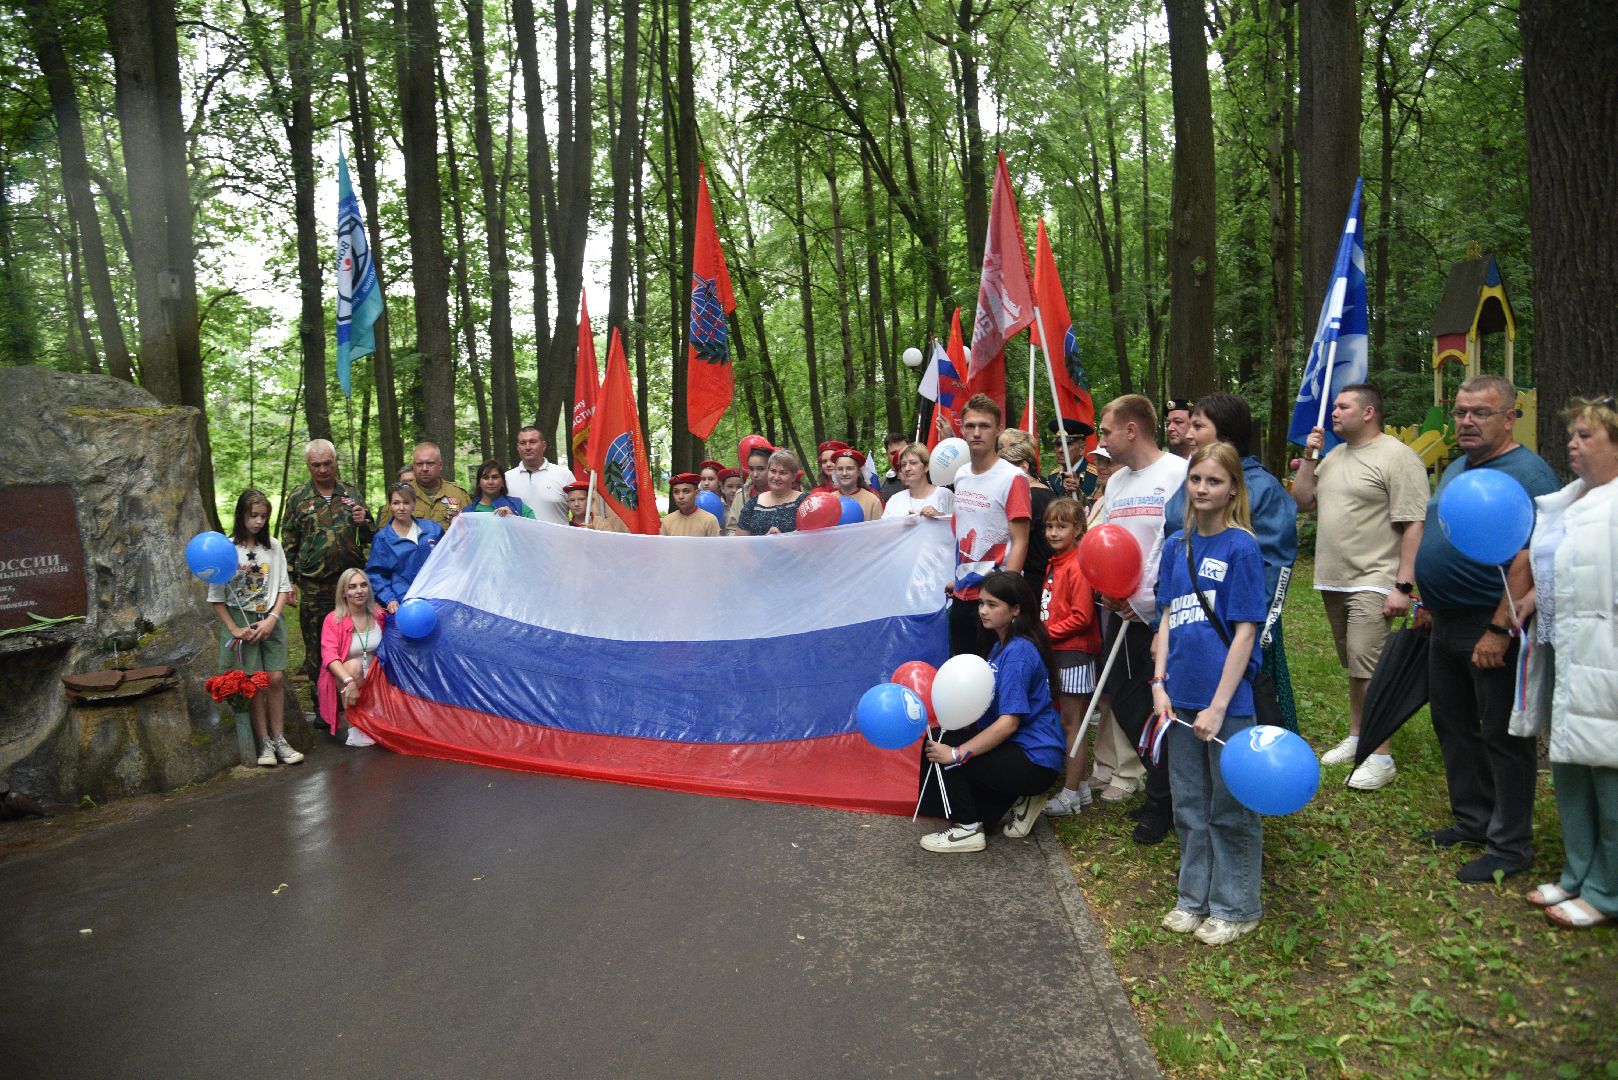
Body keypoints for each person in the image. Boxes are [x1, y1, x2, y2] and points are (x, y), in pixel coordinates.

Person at [1414, 374, 1558, 883]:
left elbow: (1531, 555)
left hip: (1493, 622)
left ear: (1509, 417)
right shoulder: (1456, 466)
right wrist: (1427, 600)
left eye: (1480, 412)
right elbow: (1445, 532)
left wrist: (1501, 628)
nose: (1466, 421)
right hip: (1444, 620)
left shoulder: (1529, 473)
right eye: (1460, 411)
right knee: (1452, 724)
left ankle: (1510, 844)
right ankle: (1473, 818)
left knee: (1501, 734)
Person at [1152, 442, 1267, 945]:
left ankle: (1236, 905)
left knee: (1230, 806)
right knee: (1190, 804)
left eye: (1214, 482)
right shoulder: (1178, 545)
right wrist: (1159, 684)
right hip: (1179, 697)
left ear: (1232, 490)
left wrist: (1220, 707)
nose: (1202, 490)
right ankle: (1192, 897)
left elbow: (1246, 632)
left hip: (1227, 701)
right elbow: (1167, 618)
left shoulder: (1242, 546)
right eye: (1196, 480)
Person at [1512, 395, 1618, 929]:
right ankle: (1579, 873)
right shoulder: (1570, 501)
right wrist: (1533, 600)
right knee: (1571, 766)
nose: (1571, 445)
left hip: (1607, 657)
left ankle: (1608, 890)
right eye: (1571, 434)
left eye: (1585, 436)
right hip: (1565, 647)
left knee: (1611, 775)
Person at [1291, 384, 1428, 790]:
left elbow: (1414, 523)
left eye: (1342, 406)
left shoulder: (1396, 457)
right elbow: (1302, 500)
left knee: (1371, 669)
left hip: (1375, 578)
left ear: (1368, 412)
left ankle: (1380, 755)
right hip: (1335, 580)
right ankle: (1357, 735)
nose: (1333, 412)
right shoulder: (1333, 456)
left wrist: (1402, 585)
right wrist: (1311, 456)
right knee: (1356, 665)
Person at [1164, 393, 1300, 734]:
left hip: (1239, 624)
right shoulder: (1189, 482)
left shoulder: (1262, 489)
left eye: (1198, 425)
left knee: (1250, 707)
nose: (1189, 432)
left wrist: (1253, 630)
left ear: (1224, 436)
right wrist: (1162, 622)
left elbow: (1274, 565)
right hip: (1188, 622)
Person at [1096, 393, 1189, 844]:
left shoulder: (1178, 474)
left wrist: (1149, 605)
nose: (1102, 440)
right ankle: (1163, 783)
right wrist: (1112, 592)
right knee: (1126, 702)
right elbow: (1109, 544)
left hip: (1162, 618)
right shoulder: (1115, 483)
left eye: (1106, 430)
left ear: (1132, 430)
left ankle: (1164, 800)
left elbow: (1176, 548)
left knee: (1161, 706)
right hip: (1118, 612)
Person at [917, 571, 1066, 852]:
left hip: (1033, 758)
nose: (983, 610)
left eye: (992, 604)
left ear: (1016, 610)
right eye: (981, 603)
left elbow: (1009, 723)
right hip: (1021, 752)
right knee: (942, 737)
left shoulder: (1018, 652)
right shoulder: (1001, 646)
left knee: (947, 748)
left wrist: (957, 753)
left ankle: (967, 831)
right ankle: (1009, 803)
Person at [209, 488, 300, 767]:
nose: (258, 521)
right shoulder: (227, 549)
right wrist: (235, 629)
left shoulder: (272, 547)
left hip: (270, 619)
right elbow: (216, 597)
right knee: (254, 682)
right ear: (241, 515)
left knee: (274, 679)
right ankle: (264, 743)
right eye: (253, 515)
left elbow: (284, 587)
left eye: (263, 516)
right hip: (242, 623)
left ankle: (280, 738)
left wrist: (273, 618)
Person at [280, 438, 375, 688]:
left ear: (335, 463)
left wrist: (362, 521)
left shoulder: (351, 493)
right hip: (314, 586)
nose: (323, 469)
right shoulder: (298, 498)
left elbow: (369, 536)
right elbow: (288, 542)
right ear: (308, 466)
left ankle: (352, 698)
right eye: (316, 465)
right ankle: (323, 707)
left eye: (327, 463)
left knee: (353, 644)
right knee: (317, 650)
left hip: (350, 586)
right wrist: (289, 581)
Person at [1038, 497, 1100, 818]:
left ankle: (1071, 793)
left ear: (1078, 529)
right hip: (1058, 652)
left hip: (1073, 653)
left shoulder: (1078, 563)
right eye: (1049, 526)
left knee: (1072, 723)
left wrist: (1044, 634)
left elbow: (1082, 616)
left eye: (1061, 526)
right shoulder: (1057, 560)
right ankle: (1083, 785)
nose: (1052, 532)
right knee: (1069, 721)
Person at [318, 568, 386, 747]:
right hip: (348, 678)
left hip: (376, 677)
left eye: (364, 585)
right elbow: (330, 656)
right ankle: (354, 729)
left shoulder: (378, 615)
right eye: (353, 586)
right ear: (343, 592)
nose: (359, 591)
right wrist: (348, 681)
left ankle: (375, 720)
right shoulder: (333, 620)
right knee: (354, 666)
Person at [368, 482, 446, 613]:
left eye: (406, 502)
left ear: (414, 504)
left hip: (436, 598)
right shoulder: (383, 539)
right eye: (396, 503)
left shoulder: (433, 529)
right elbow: (376, 574)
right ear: (390, 505)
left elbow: (449, 560)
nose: (401, 508)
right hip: (403, 603)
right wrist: (389, 599)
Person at [997, 433, 1056, 595]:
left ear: (1024, 467)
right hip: (1046, 576)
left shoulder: (1030, 497)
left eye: (1005, 468)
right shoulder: (1047, 492)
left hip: (1031, 580)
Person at [504, 426, 571, 525]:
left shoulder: (564, 474)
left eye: (533, 442)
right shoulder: (506, 478)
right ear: (518, 448)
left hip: (557, 540)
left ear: (543, 445)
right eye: (523, 443)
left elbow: (581, 511)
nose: (528, 447)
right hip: (520, 540)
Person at [737, 449, 809, 536]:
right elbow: (741, 542)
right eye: (773, 471)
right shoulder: (753, 503)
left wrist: (783, 539)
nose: (776, 477)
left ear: (793, 477)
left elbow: (813, 538)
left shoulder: (805, 501)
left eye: (783, 473)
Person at [882, 443, 954, 519]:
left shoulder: (944, 495)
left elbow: (958, 525)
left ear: (926, 467)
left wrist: (939, 516)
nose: (907, 468)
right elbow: (884, 528)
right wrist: (903, 523)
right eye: (903, 465)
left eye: (913, 463)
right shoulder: (895, 500)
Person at [409, 442, 470, 529]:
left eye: (430, 463)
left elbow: (471, 529)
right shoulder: (401, 495)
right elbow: (386, 534)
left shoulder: (458, 494)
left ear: (440, 465)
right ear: (413, 466)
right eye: (419, 464)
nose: (424, 469)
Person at [726, 442, 773, 536]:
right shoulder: (741, 495)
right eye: (751, 469)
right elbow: (731, 529)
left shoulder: (781, 493)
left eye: (761, 469)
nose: (755, 474)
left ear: (771, 468)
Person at [466, 459, 536, 518]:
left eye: (495, 477)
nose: (490, 482)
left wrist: (513, 518)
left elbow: (535, 529)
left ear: (503, 482)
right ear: (479, 483)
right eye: (485, 478)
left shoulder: (517, 505)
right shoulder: (468, 512)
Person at [832, 449, 884, 521]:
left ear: (859, 472)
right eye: (840, 469)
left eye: (849, 469)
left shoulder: (873, 501)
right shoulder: (830, 500)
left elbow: (879, 530)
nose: (844, 473)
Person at [878, 431, 910, 504]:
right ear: (887, 456)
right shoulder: (879, 485)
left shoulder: (924, 480)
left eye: (902, 451)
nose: (898, 456)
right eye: (893, 453)